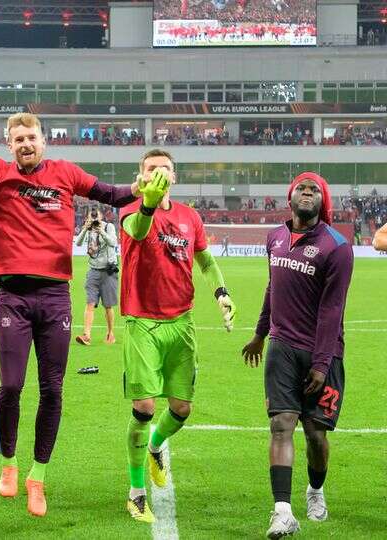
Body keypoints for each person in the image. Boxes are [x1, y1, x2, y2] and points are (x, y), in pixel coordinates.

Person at [0, 112, 142, 516]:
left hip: (56, 297)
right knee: (11, 386)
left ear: (43, 141)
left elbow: (110, 193)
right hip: (13, 298)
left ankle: (37, 477)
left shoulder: (65, 173)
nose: (25, 143)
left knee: (53, 390)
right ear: (9, 143)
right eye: (18, 138)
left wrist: (139, 187)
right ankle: (8, 464)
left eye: (31, 137)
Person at [117, 149, 235, 524]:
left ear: (175, 176)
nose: (158, 173)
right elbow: (136, 230)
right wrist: (148, 204)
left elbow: (205, 260)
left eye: (164, 168)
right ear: (141, 176)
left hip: (181, 323)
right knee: (145, 408)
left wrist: (222, 293)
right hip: (142, 322)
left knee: (181, 408)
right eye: (151, 169)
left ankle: (155, 446)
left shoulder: (190, 217)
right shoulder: (129, 209)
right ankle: (136, 493)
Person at [241, 172, 353, 539]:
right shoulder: (274, 238)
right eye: (301, 188)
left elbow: (332, 310)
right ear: (290, 197)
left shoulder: (337, 246)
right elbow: (272, 290)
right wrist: (259, 334)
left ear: (323, 201)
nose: (307, 193)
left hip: (324, 353)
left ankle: (316, 490)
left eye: (315, 190)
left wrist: (322, 364)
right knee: (281, 424)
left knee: (316, 435)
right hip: (282, 348)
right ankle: (283, 511)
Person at [74, 207, 119, 346]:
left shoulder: (108, 227)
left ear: (101, 217)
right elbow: (78, 243)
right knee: (90, 303)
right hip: (93, 271)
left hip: (108, 271)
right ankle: (86, 335)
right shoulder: (88, 230)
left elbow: (113, 242)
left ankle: (110, 332)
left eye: (96, 217)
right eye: (90, 218)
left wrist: (101, 231)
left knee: (108, 306)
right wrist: (85, 229)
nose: (93, 220)